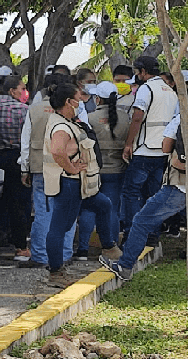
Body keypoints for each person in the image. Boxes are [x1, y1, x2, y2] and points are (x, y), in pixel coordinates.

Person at [99, 88, 188, 293]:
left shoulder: (181, 120)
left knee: (141, 221)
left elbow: (165, 148)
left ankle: (125, 265)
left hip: (180, 184)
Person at [42, 82, 122, 287]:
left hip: (79, 184)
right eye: (79, 98)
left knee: (103, 204)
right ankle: (56, 272)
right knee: (60, 227)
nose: (83, 101)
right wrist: (70, 168)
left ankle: (109, 247)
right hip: (69, 183)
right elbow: (58, 151)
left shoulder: (67, 121)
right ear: (69, 102)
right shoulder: (62, 126)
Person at [19, 73, 77, 268]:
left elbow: (25, 141)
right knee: (66, 212)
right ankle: (65, 254)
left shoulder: (33, 110)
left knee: (44, 212)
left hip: (39, 167)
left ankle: (41, 256)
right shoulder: (73, 108)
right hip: (67, 167)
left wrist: (24, 168)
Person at [119, 56, 178, 240]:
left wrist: (128, 143)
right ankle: (152, 234)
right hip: (163, 151)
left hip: (144, 150)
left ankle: (132, 233)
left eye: (137, 72)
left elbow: (137, 117)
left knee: (131, 193)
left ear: (143, 72)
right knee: (153, 195)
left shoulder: (146, 89)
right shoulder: (170, 91)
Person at [74, 82, 131, 260]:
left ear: (97, 99)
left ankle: (83, 249)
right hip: (117, 170)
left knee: (89, 209)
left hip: (94, 170)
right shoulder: (125, 118)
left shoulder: (89, 118)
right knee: (112, 209)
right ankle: (111, 246)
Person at [0, 76, 30, 260]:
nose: (24, 92)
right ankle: (20, 246)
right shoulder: (23, 110)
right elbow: (26, 137)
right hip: (16, 158)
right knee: (17, 202)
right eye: (22, 88)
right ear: (12, 91)